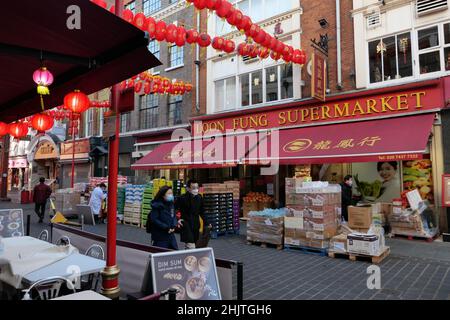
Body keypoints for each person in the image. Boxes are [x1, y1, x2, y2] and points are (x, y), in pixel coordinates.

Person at [176, 180, 208, 250]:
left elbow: (202, 211)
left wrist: (207, 223)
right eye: (193, 188)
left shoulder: (199, 198)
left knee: (193, 246)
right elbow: (174, 209)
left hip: (196, 225)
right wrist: (177, 220)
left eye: (197, 187)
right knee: (191, 247)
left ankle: (187, 259)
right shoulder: (182, 198)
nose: (196, 190)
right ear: (187, 188)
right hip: (186, 225)